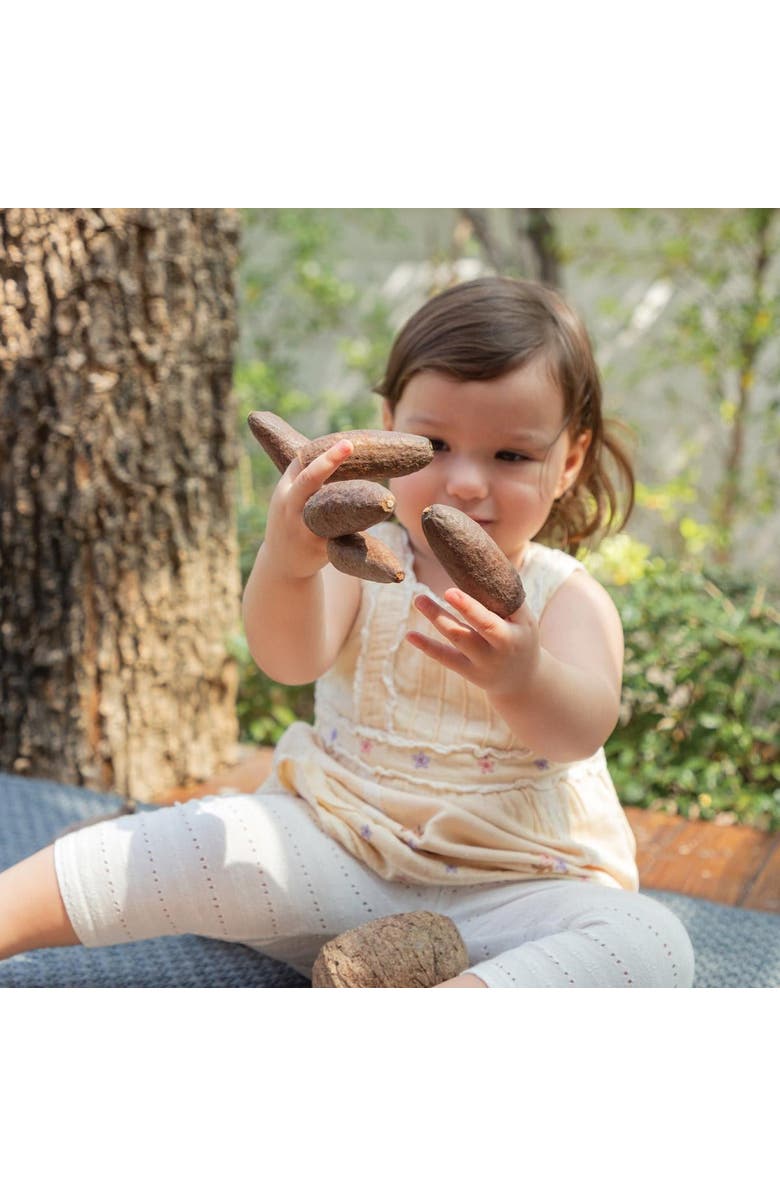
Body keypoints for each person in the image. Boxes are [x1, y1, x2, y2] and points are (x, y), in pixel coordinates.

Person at [0, 277, 695, 987]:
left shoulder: (565, 597)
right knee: (205, 836)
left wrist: (524, 676)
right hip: (335, 857)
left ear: (569, 461)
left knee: (652, 942)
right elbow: (288, 658)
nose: (464, 482)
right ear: (386, 427)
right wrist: (288, 561)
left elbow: (580, 731)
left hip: (516, 891)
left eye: (510, 456)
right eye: (435, 443)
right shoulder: (360, 559)